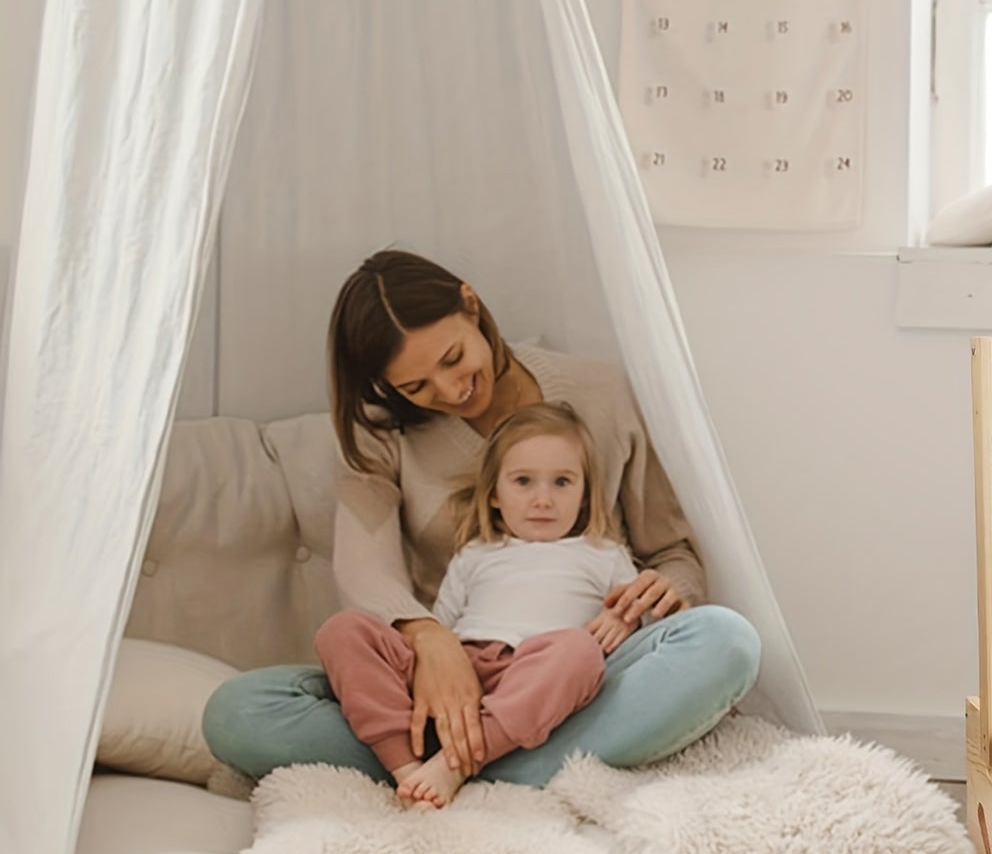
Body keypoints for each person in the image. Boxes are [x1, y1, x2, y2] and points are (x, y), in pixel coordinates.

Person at [202, 249, 762, 788]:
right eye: (416, 387)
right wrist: (431, 644)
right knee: (239, 712)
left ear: (471, 306)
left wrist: (662, 591)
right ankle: (499, 754)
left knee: (727, 641)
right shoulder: (380, 433)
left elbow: (672, 552)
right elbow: (365, 570)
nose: (451, 391)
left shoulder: (602, 394)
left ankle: (471, 761)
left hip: (573, 671)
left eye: (452, 359)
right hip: (439, 674)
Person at [317, 402, 641, 808]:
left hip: (529, 675)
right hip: (459, 672)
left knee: (579, 652)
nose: (543, 500)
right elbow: (441, 631)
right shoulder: (477, 553)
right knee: (344, 630)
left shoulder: (603, 553)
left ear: (585, 495)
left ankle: (453, 764)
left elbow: (638, 615)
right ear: (494, 496)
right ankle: (404, 765)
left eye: (562, 482)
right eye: (523, 481)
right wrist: (425, 672)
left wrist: (622, 617)